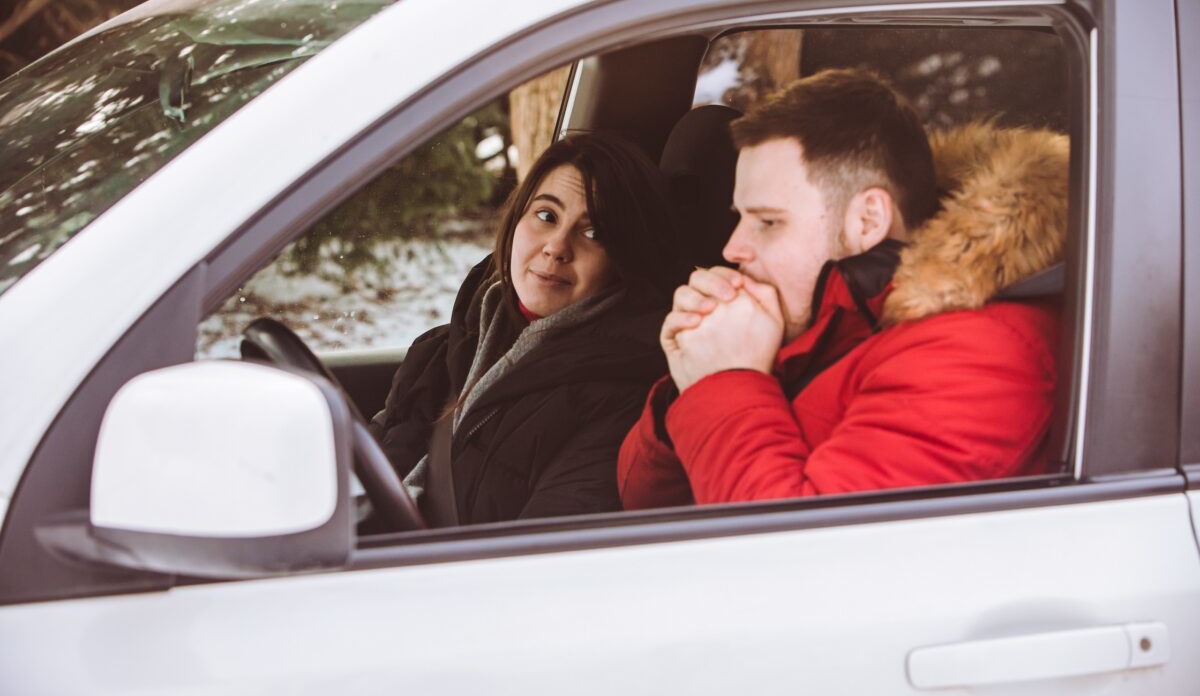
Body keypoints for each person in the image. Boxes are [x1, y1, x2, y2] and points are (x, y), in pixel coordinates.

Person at [618, 68, 1067, 508]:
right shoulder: (824, 322)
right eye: (739, 217)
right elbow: (643, 504)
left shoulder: (978, 355)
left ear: (868, 219)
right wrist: (689, 382)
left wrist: (722, 382)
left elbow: (806, 559)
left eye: (768, 221)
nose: (732, 248)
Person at [371, 132, 684, 526]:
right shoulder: (447, 347)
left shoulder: (621, 404)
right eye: (546, 216)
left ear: (626, 261)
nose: (556, 246)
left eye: (593, 233)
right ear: (516, 219)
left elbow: (533, 569)